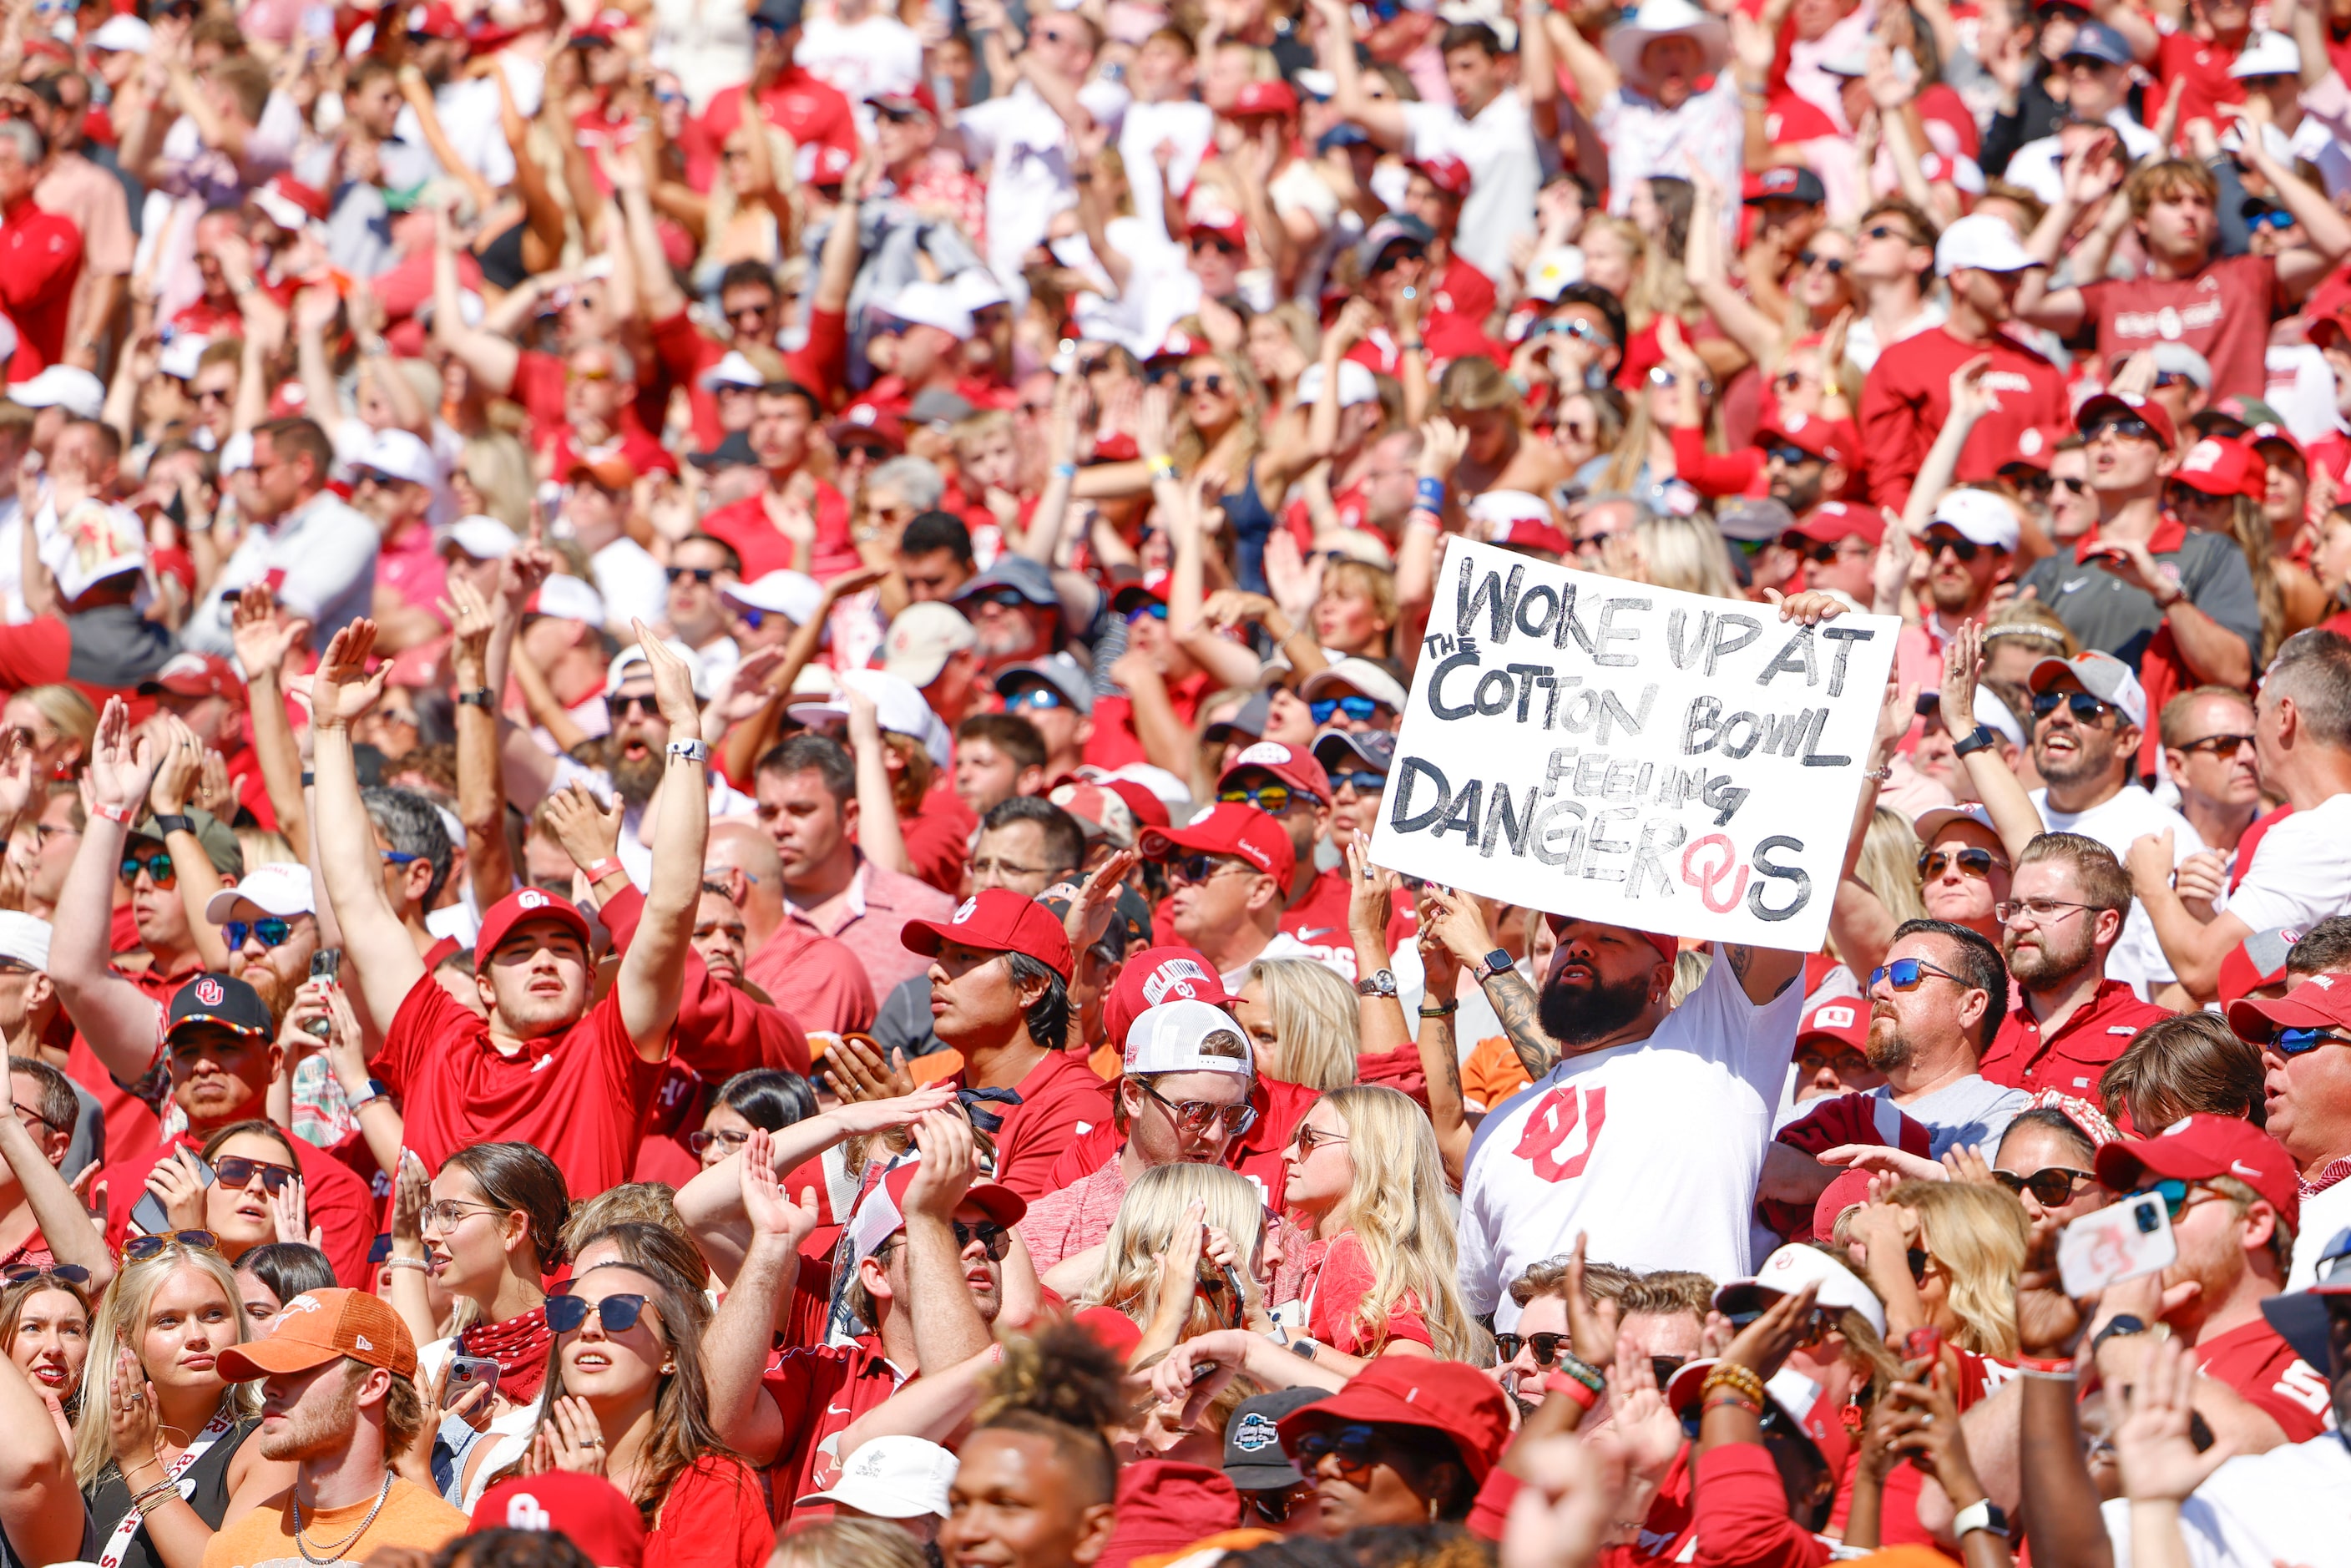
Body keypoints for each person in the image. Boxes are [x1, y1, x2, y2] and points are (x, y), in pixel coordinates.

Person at [311, 621, 707, 1200]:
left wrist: (685, 732)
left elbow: (671, 909)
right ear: (485, 986)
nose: (543, 960)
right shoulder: (436, 1038)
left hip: (569, 1291)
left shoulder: (608, 1050)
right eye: (519, 951)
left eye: (564, 948)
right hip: (435, 1290)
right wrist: (331, 728)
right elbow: (359, 900)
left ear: (592, 976)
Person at [0, 1236, 293, 1568]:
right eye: (169, 1320)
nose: (197, 1336)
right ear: (127, 1338)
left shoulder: (270, 1447)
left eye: (214, 1314)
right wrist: (57, 1483)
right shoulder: (87, 1438)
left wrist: (141, 1465)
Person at [2086, 1115, 2335, 1445]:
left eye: (2167, 1200)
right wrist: (2049, 1359)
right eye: (2133, 1204)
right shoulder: (2110, 1351)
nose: (2142, 1226)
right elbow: (2002, 1479)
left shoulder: (2314, 1357)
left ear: (2254, 1224)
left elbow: (2253, 1448)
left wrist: (2119, 1332)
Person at [2131, 631, 2351, 1000]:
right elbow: (2250, 967)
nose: (2249, 750)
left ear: (2285, 716)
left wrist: (2150, 881)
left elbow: (2205, 972)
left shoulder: (2316, 834)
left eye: (2257, 715)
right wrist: (2199, 916)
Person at [199, 1288, 470, 1566]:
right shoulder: (230, 1549)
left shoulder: (445, 1545)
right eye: (269, 1371)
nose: (269, 1387)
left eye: (296, 1369)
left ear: (372, 1386)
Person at [1018, 999, 1255, 1275]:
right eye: (1194, 1111)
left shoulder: (1267, 1237)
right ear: (1133, 1097)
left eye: (1233, 1115)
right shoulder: (1049, 1231)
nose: (1215, 1135)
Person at [904, 888, 1109, 1201]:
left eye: (964, 956)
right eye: (940, 956)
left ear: (1031, 986)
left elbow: (1008, 1244)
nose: (934, 971)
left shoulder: (1075, 1105)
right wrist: (886, 1137)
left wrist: (912, 1145)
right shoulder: (936, 1093)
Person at [1981, 833, 2172, 1097]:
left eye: (2043, 906)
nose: (2020, 923)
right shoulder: (1980, 1032)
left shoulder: (2156, 1037)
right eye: (2014, 908)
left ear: (2104, 926)